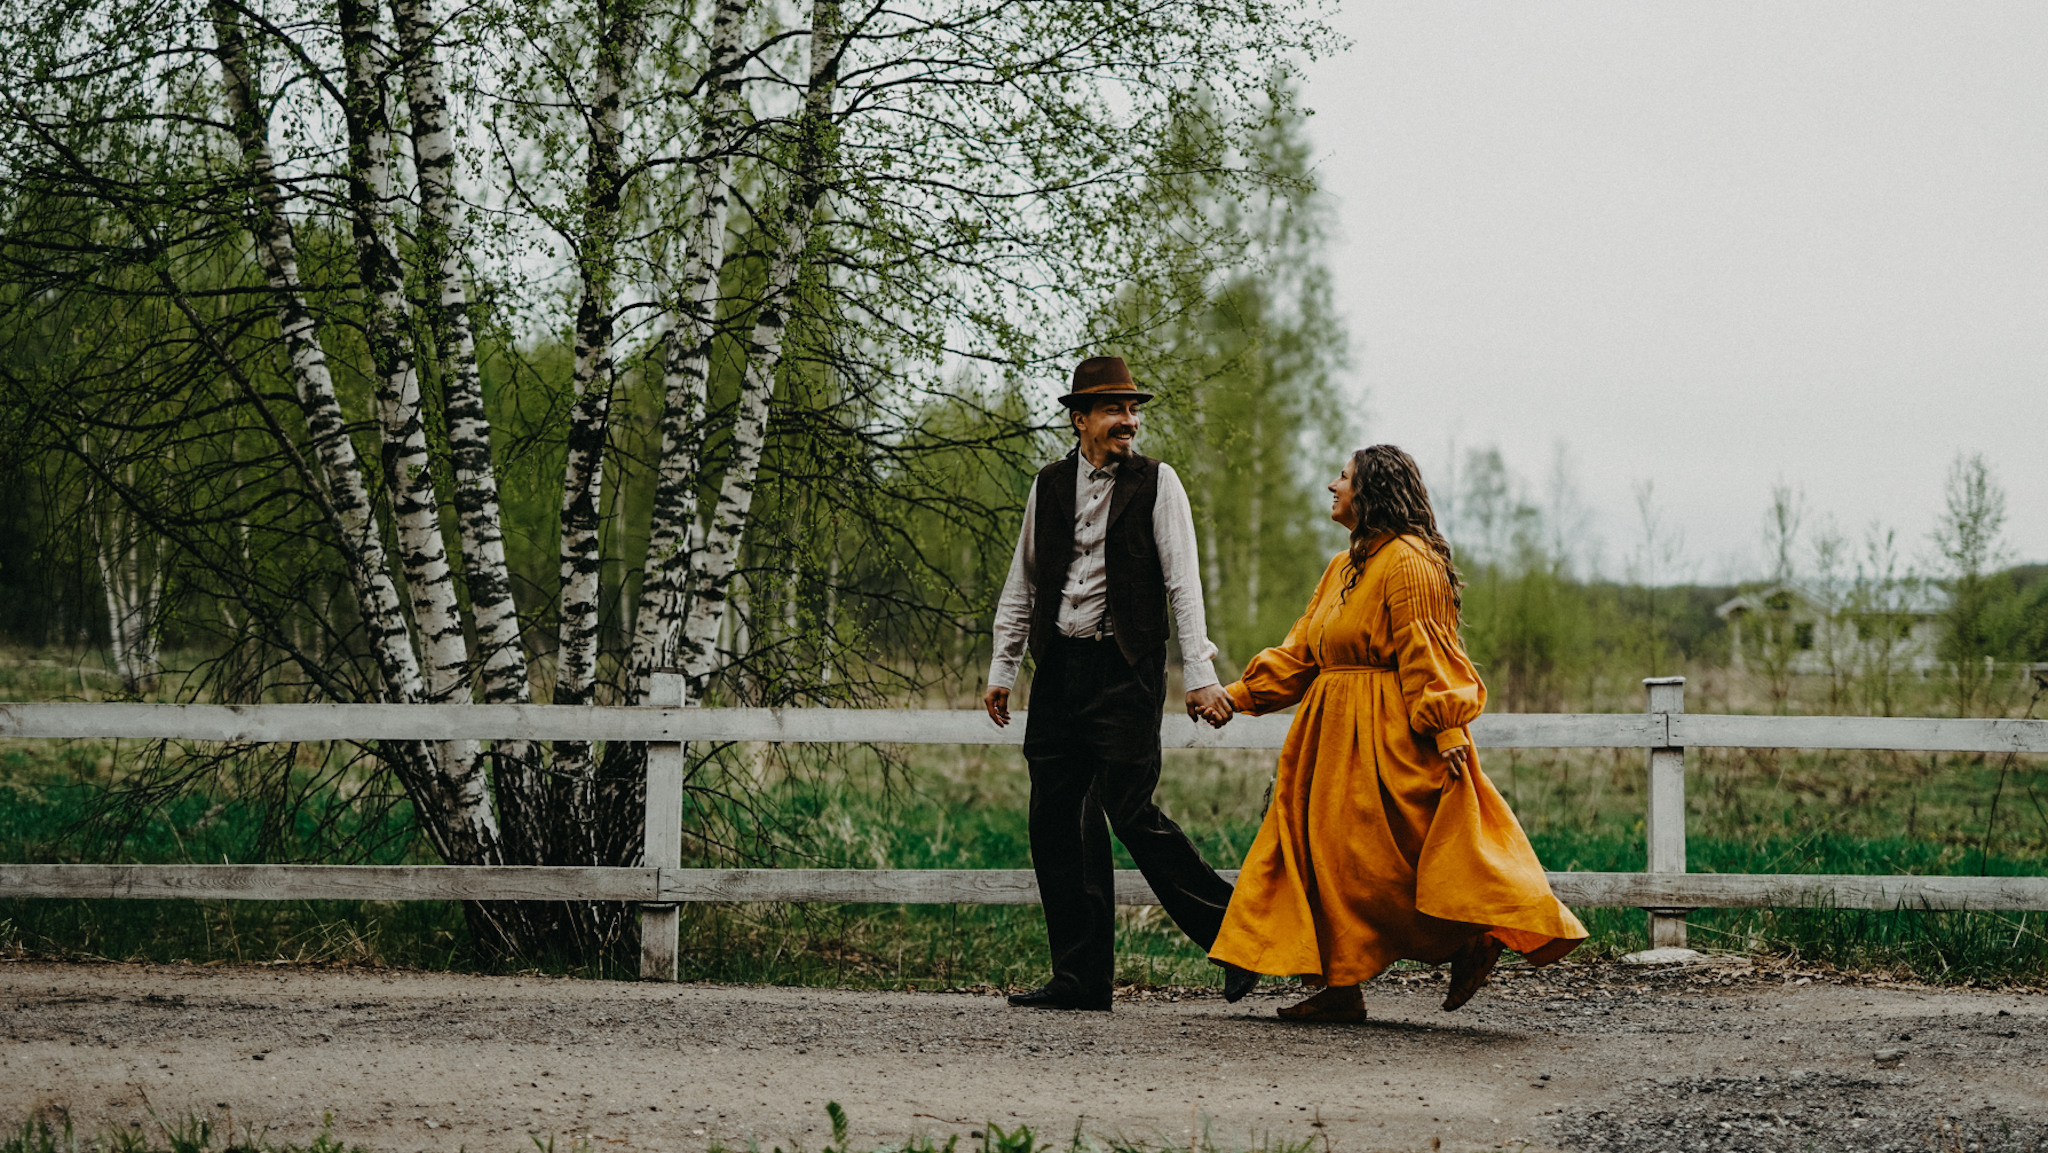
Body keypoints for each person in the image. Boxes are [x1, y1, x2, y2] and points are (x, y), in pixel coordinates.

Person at [1206, 444, 1587, 1021]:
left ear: (1373, 491)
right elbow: (1304, 651)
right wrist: (1237, 696)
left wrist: (1448, 729)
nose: (1331, 486)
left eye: (1342, 477)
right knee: (1322, 859)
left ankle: (1473, 939)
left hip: (1386, 736)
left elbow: (1427, 650)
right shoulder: (1342, 566)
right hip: (1326, 739)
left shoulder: (1410, 561)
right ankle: (1341, 988)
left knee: (1383, 865)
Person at [982, 355, 1258, 1011]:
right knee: (1056, 817)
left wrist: (1200, 673)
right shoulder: (1047, 485)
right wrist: (1004, 664)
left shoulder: (1159, 484)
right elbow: (1022, 580)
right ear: (1080, 419)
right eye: (1114, 409)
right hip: (1060, 668)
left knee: (1129, 809)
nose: (1129, 421)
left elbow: (1182, 585)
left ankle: (1238, 935)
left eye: (1133, 410)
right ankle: (1080, 978)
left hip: (1126, 667)